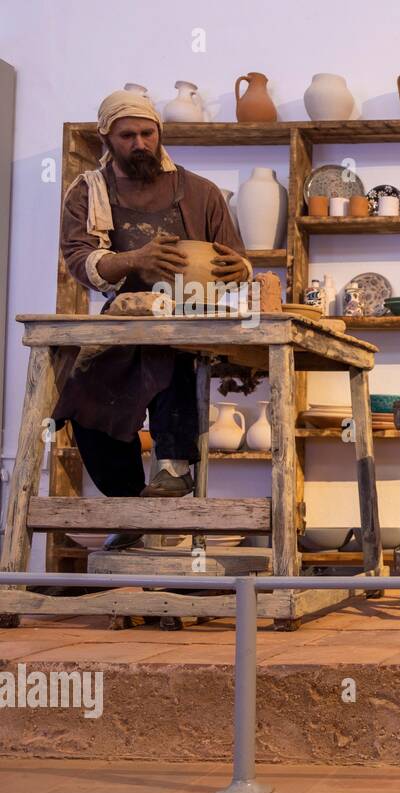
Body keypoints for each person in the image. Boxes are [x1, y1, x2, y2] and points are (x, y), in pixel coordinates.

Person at [58, 90, 250, 549]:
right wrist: (134, 260)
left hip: (188, 322)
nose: (140, 143)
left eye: (148, 133)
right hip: (122, 321)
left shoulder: (200, 191)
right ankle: (132, 505)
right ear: (107, 136)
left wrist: (241, 270)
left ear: (159, 133)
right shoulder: (89, 191)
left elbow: (236, 259)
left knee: (173, 361)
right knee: (84, 399)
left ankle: (172, 470)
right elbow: (79, 261)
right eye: (128, 135)